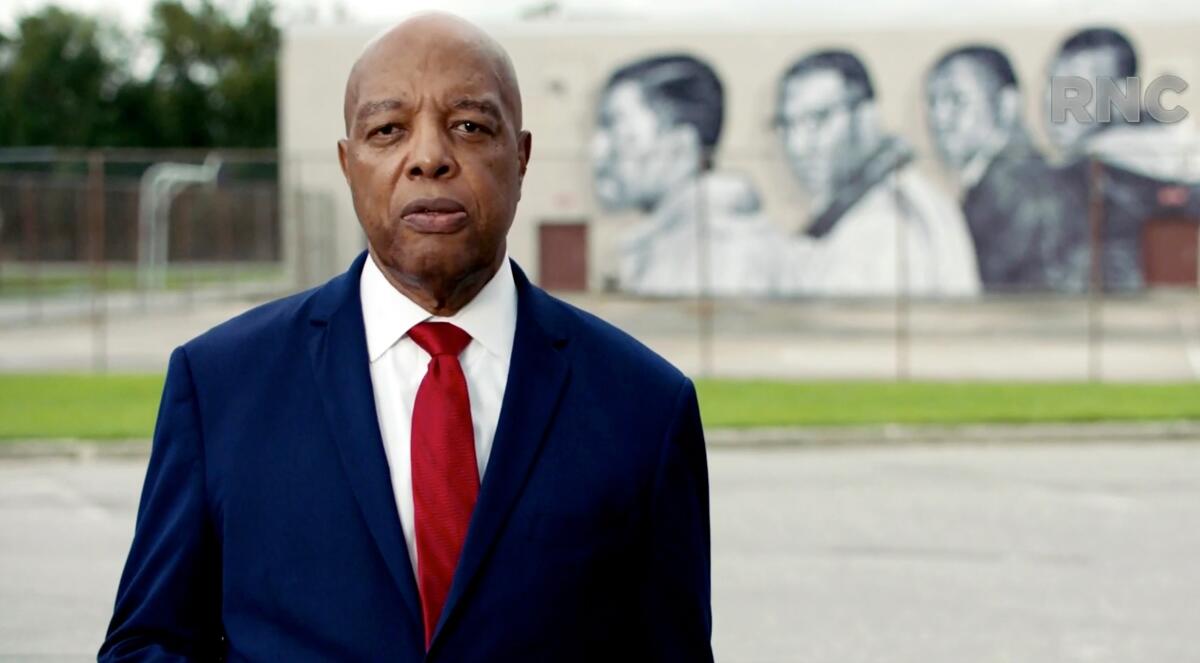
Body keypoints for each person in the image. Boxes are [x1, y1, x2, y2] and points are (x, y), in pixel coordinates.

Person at [99, 12, 713, 662]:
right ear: (347, 162)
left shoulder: (646, 407)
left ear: (522, 156)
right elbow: (149, 643)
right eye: (388, 130)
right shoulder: (220, 386)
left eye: (470, 127)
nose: (428, 157)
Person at [775, 49, 980, 297]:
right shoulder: (865, 205)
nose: (797, 146)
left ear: (866, 117)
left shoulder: (889, 222)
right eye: (787, 125)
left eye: (818, 120)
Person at [592, 53, 785, 296]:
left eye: (613, 127)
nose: (597, 151)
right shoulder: (670, 244)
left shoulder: (720, 251)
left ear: (680, 145)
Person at [925, 45, 1088, 292]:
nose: (939, 119)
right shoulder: (1013, 181)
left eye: (956, 100)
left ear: (1007, 103)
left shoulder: (1015, 190)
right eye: (932, 103)